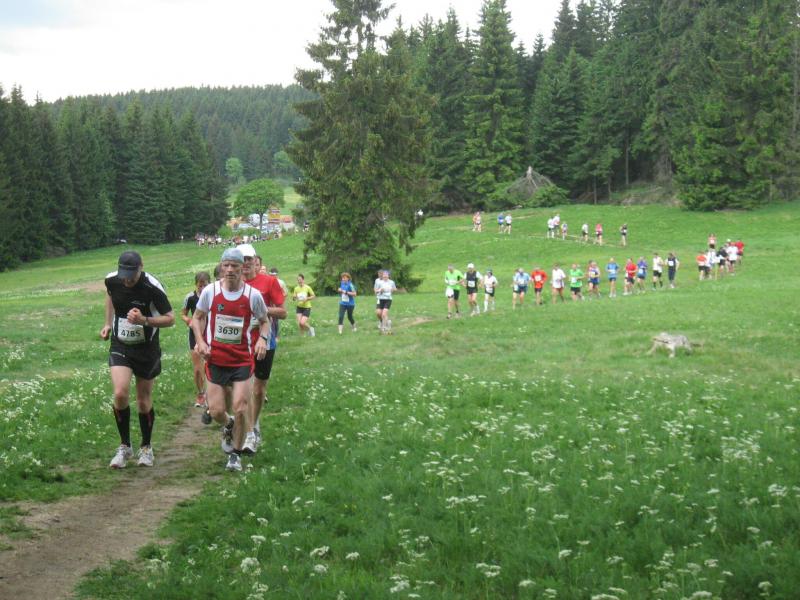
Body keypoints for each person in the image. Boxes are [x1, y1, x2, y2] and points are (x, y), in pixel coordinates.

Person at [191, 247, 271, 472]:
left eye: (234, 266)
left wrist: (262, 339)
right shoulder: (211, 291)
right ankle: (229, 425)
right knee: (217, 411)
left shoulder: (252, 295)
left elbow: (265, 321)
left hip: (242, 360)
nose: (229, 270)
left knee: (240, 407)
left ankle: (235, 455)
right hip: (215, 359)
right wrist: (201, 341)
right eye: (225, 265)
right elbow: (197, 318)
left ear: (242, 269)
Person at [102, 251, 175, 469]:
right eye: (124, 275)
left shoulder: (152, 287)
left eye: (131, 276)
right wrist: (107, 323)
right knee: (120, 393)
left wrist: (144, 320)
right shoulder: (112, 280)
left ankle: (146, 447)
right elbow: (110, 295)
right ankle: (125, 446)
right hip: (121, 344)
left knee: (143, 400)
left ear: (141, 267)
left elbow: (170, 319)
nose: (127, 280)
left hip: (146, 349)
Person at [239, 244, 287, 455]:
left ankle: (254, 422)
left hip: (265, 341)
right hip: (241, 342)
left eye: (249, 259)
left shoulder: (269, 282)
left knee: (258, 389)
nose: (246, 264)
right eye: (242, 260)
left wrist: (261, 309)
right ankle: (249, 431)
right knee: (244, 388)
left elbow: (283, 312)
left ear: (255, 261)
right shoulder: (233, 283)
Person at [181, 271, 211, 409]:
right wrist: (189, 321)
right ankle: (201, 394)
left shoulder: (214, 295)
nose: (202, 288)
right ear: (196, 285)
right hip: (195, 334)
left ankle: (212, 393)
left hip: (211, 334)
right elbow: (183, 314)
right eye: (200, 286)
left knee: (210, 366)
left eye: (205, 285)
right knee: (198, 369)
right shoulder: (190, 298)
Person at [374, 269, 397, 334]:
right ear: (382, 276)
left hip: (388, 299)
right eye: (384, 275)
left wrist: (392, 290)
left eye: (386, 275)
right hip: (380, 299)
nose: (385, 276)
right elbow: (376, 291)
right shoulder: (379, 282)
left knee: (384, 314)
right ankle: (387, 322)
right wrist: (380, 290)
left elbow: (395, 289)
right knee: (378, 313)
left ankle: (384, 328)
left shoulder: (391, 282)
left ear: (388, 276)